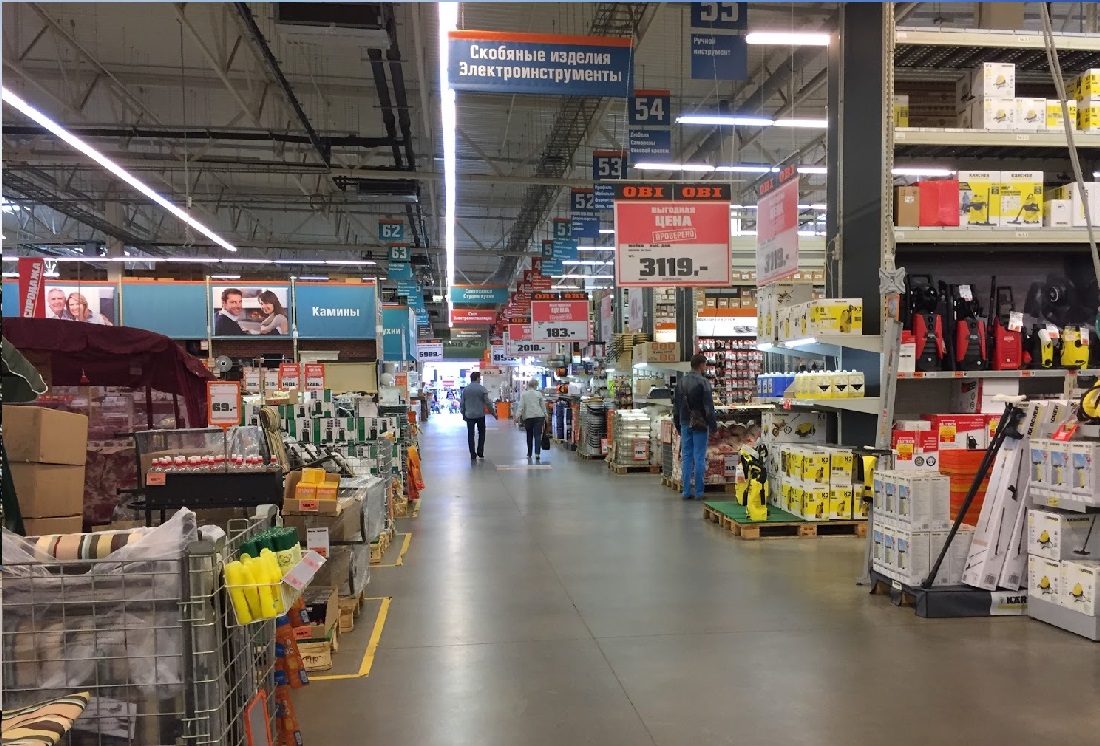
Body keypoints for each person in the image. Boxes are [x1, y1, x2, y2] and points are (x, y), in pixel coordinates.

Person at [673, 353, 718, 500]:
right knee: (699, 456)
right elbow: (709, 407)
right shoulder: (703, 382)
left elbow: (676, 407)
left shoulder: (681, 382)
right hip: (700, 423)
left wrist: (678, 424)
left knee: (686, 456)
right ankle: (699, 492)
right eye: (705, 365)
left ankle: (686, 491)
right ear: (701, 365)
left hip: (685, 422)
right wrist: (714, 425)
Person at [460, 371, 494, 460]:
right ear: (478, 378)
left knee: (470, 434)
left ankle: (472, 453)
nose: (480, 379)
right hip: (480, 415)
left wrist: (463, 414)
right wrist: (493, 413)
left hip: (469, 415)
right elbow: (487, 402)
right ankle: (480, 451)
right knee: (482, 433)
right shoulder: (482, 389)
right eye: (480, 378)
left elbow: (462, 403)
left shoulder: (466, 390)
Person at [516, 378, 548, 461]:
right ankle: (537, 453)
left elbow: (521, 406)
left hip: (528, 417)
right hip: (539, 416)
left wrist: (517, 416)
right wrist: (546, 415)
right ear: (535, 386)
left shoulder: (524, 394)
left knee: (529, 435)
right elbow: (543, 406)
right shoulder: (539, 394)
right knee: (537, 435)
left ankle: (529, 453)